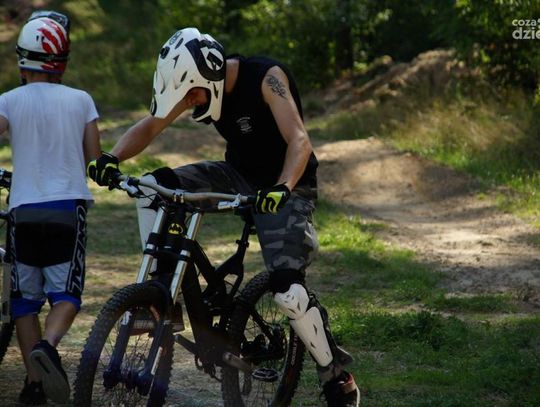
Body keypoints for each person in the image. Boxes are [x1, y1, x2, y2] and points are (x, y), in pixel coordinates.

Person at [88, 27, 359, 406]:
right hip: (237, 176)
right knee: (153, 186)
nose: (190, 103)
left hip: (288, 184)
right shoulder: (199, 84)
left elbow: (299, 140)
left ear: (211, 74)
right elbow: (152, 123)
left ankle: (335, 375)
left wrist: (282, 187)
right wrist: (111, 157)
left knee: (288, 292)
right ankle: (162, 297)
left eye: (193, 95)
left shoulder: (267, 78)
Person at [0, 10, 101, 405]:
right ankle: (50, 345)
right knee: (66, 296)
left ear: (22, 60)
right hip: (66, 211)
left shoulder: (8, 101)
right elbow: (94, 160)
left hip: (22, 211)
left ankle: (34, 386)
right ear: (62, 61)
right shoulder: (82, 100)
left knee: (24, 303)